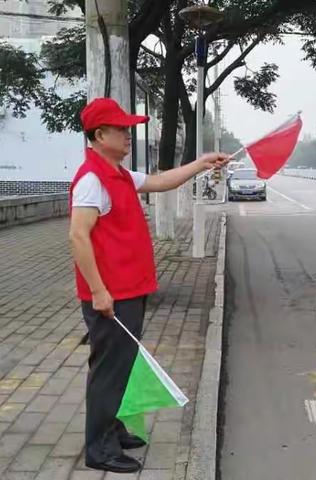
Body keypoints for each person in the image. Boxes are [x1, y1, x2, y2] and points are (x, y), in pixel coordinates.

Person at [69, 97, 228, 474]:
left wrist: (202, 163)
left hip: (129, 291)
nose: (128, 135)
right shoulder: (92, 180)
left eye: (128, 128)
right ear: (98, 134)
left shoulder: (119, 174)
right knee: (109, 369)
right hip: (111, 296)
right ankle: (100, 448)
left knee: (121, 367)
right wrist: (98, 291)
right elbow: (78, 236)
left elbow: (159, 182)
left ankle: (113, 427)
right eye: (121, 129)